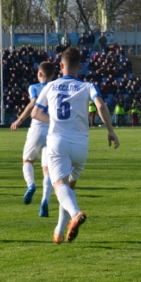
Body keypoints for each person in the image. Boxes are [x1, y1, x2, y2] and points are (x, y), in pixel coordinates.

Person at [31, 47, 119, 244]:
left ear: (61, 66)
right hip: (81, 145)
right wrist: (110, 131)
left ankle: (76, 213)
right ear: (80, 66)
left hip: (58, 142)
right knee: (69, 188)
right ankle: (59, 231)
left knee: (59, 185)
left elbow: (35, 114)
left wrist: (53, 120)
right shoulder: (88, 86)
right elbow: (101, 106)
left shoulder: (50, 86)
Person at [10, 62, 56, 217]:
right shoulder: (57, 87)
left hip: (38, 127)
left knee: (27, 161)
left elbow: (32, 103)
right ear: (53, 75)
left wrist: (20, 120)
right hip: (54, 129)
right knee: (47, 169)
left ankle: (31, 185)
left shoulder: (34, 87)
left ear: (39, 74)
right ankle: (45, 201)